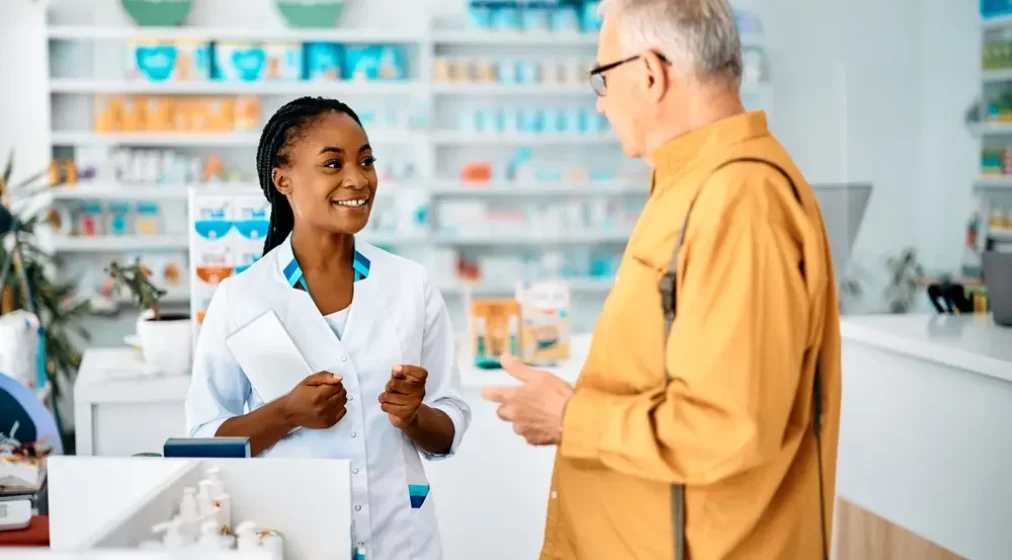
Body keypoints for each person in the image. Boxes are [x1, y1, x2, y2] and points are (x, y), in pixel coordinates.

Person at [482, 0, 842, 559]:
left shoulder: (740, 201)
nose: (601, 106)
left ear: (650, 73)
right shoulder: (691, 185)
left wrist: (569, 418)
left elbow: (729, 429)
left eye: (602, 79)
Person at [185, 96, 471, 560]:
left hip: (401, 536)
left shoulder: (409, 285)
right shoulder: (243, 298)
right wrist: (286, 414)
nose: (357, 179)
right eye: (333, 164)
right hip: (295, 535)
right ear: (283, 180)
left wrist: (414, 416)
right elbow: (203, 441)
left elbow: (450, 422)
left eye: (366, 161)